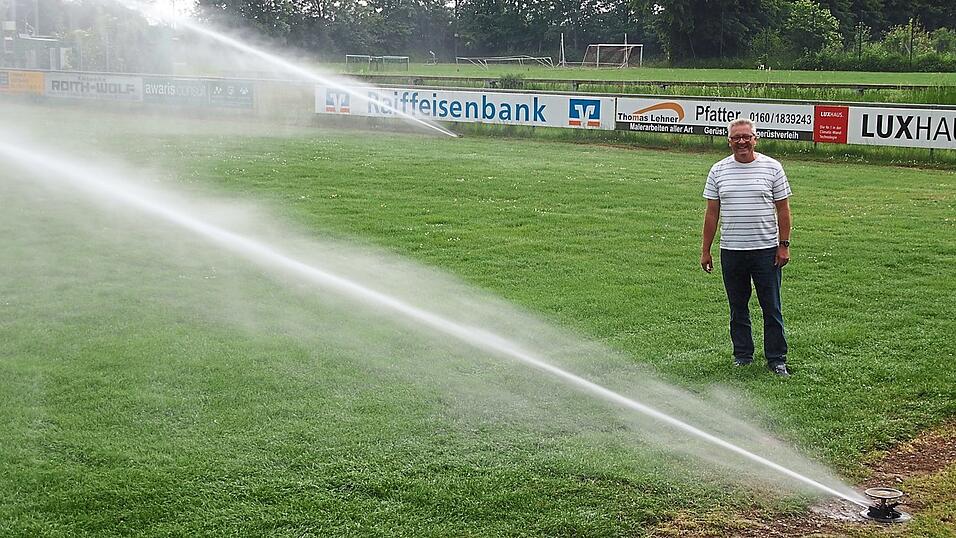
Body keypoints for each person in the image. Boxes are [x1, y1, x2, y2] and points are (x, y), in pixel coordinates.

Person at [700, 118, 792, 377]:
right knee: (737, 306)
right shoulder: (718, 170)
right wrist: (706, 250)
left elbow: (783, 210)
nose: (741, 142)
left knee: (771, 307)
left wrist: (783, 245)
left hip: (766, 251)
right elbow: (711, 213)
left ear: (755, 139)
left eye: (746, 137)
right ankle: (743, 355)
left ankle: (776, 359)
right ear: (729, 141)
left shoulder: (772, 168)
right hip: (732, 250)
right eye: (736, 137)